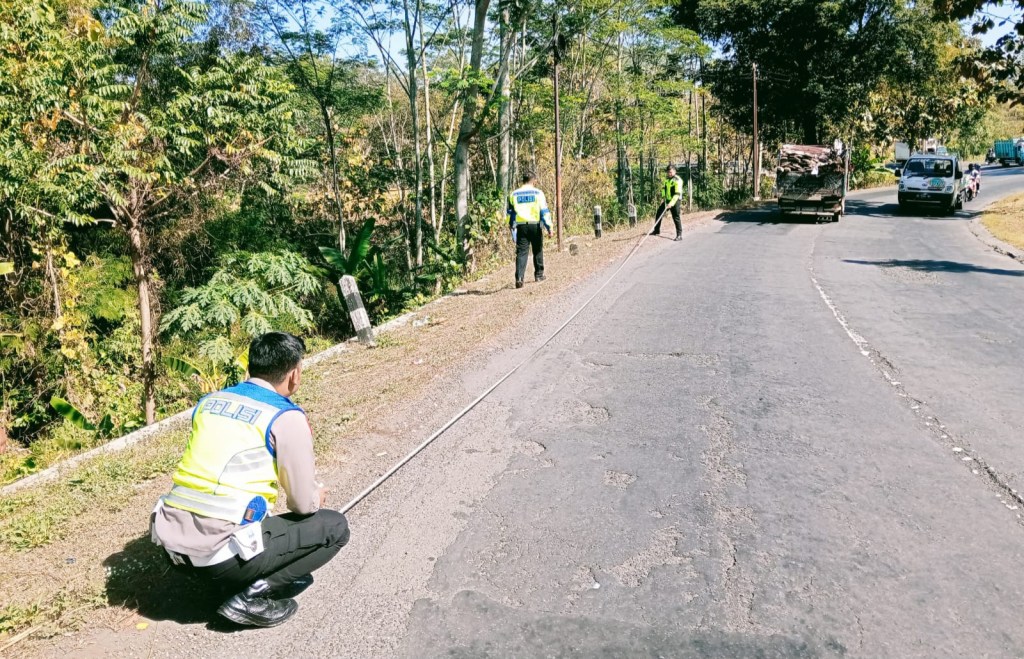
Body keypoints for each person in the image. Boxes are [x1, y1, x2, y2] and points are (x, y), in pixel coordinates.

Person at [150, 331, 349, 628]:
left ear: (251, 366)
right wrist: (316, 496)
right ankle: (251, 596)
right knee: (334, 527)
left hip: (173, 550)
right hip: (222, 558)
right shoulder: (285, 416)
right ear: (294, 375)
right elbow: (302, 504)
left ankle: (228, 580)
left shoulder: (209, 402)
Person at [508, 172, 553, 289]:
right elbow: (544, 211)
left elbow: (510, 213)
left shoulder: (514, 194)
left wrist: (511, 226)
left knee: (521, 252)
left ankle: (519, 278)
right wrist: (549, 227)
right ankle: (539, 274)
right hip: (535, 224)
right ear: (534, 181)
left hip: (521, 226)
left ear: (523, 180)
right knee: (537, 249)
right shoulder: (538, 193)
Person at [653, 165, 684, 241]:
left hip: (675, 201)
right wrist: (664, 198)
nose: (669, 173)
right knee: (659, 213)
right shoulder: (667, 180)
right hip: (667, 200)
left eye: (670, 172)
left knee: (676, 217)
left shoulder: (677, 180)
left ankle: (679, 235)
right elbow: (664, 189)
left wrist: (671, 203)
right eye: (668, 172)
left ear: (674, 171)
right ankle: (656, 230)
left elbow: (677, 193)